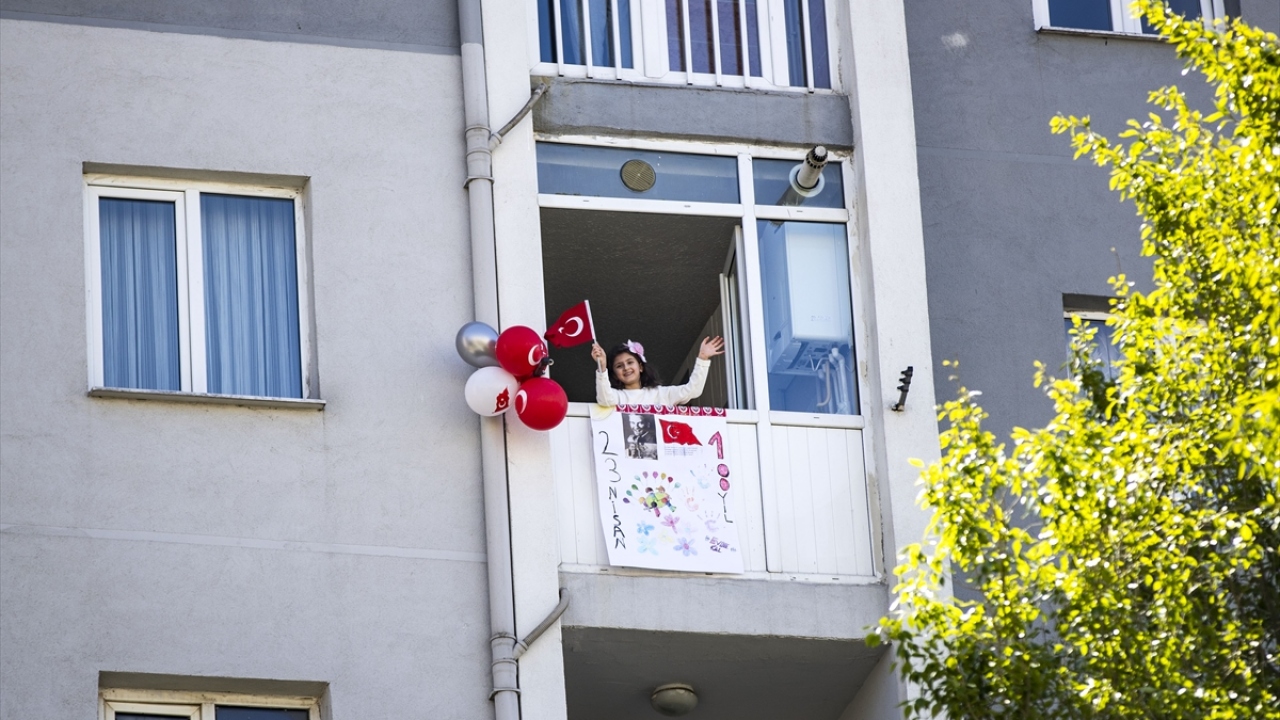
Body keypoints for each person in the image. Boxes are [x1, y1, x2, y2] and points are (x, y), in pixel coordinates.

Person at [591, 337, 725, 407]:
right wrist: (602, 367)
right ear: (614, 374)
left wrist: (702, 358)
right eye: (619, 366)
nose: (626, 368)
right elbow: (605, 401)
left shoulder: (661, 394)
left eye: (630, 362)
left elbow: (692, 391)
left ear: (641, 367)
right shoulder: (617, 396)